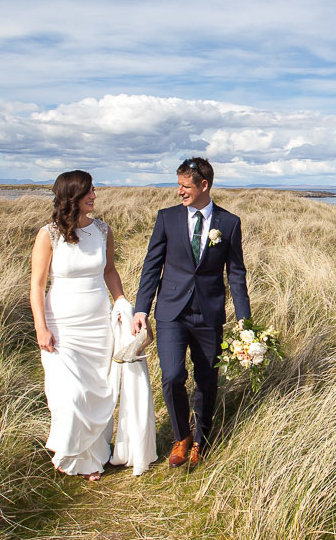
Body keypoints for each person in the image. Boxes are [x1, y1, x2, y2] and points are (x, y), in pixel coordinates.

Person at [30, 170, 151, 480]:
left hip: (97, 324)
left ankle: (93, 458)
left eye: (94, 190)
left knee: (98, 393)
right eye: (89, 191)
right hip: (62, 327)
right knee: (69, 395)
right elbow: (37, 285)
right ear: (73, 196)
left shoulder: (102, 230)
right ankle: (69, 453)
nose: (95, 195)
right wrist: (41, 327)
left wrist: (123, 302)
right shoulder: (48, 235)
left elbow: (109, 271)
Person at [132, 157, 251, 468]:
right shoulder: (167, 218)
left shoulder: (229, 223)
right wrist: (141, 308)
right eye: (179, 185)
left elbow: (236, 274)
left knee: (207, 380)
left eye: (185, 186)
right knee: (172, 376)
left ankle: (202, 440)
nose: (179, 192)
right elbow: (151, 266)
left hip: (208, 314)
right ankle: (181, 436)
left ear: (204, 185)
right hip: (171, 311)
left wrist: (244, 320)